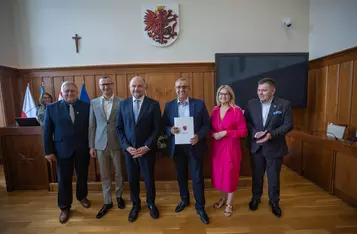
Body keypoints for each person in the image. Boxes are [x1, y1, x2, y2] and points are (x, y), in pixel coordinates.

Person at [162, 78, 210, 224]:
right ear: (175, 89)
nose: (181, 90)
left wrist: (199, 136)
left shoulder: (199, 104)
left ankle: (200, 206)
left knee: (197, 177)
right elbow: (163, 125)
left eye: (184, 87)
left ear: (188, 88)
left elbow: (207, 125)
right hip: (177, 147)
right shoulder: (169, 105)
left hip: (195, 145)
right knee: (181, 175)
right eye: (178, 87)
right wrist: (170, 129)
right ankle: (184, 199)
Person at [244, 78, 293, 217]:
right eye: (259, 90)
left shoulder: (284, 104)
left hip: (274, 147)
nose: (261, 93)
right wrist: (254, 133)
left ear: (273, 90)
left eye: (264, 90)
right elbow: (246, 122)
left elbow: (288, 124)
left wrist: (271, 134)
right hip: (256, 147)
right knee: (257, 176)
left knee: (273, 178)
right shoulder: (251, 104)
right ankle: (256, 198)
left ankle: (274, 202)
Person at [43, 81, 91, 224]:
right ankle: (64, 206)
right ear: (62, 93)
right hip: (62, 150)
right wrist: (48, 151)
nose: (70, 93)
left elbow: (91, 127)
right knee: (64, 179)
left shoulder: (86, 106)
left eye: (72, 91)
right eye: (67, 91)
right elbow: (47, 132)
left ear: (77, 92)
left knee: (82, 175)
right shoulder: (52, 108)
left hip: (82, 149)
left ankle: (82, 196)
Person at [116, 76, 161, 222]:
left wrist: (147, 146)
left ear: (145, 87)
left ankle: (151, 203)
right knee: (132, 180)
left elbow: (157, 129)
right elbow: (119, 129)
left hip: (147, 151)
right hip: (130, 152)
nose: (136, 89)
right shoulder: (123, 105)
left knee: (149, 180)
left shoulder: (153, 104)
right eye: (133, 86)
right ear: (130, 87)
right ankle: (136, 205)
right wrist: (127, 147)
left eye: (139, 86)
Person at [89, 76, 125, 219]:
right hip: (99, 144)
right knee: (104, 174)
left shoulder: (122, 102)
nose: (106, 87)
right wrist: (91, 145)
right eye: (103, 84)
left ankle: (119, 196)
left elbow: (124, 124)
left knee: (119, 173)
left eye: (108, 84)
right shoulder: (93, 103)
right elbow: (92, 125)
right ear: (99, 86)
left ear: (113, 84)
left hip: (117, 143)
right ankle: (107, 201)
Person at [210, 85, 247, 217]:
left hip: (231, 148)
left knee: (230, 175)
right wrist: (212, 133)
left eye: (226, 94)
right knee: (220, 175)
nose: (223, 96)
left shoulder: (236, 111)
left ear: (231, 95)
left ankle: (229, 204)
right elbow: (209, 128)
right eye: (221, 94)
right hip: (217, 148)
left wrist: (226, 132)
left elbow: (243, 132)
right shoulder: (214, 110)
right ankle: (223, 198)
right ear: (218, 95)